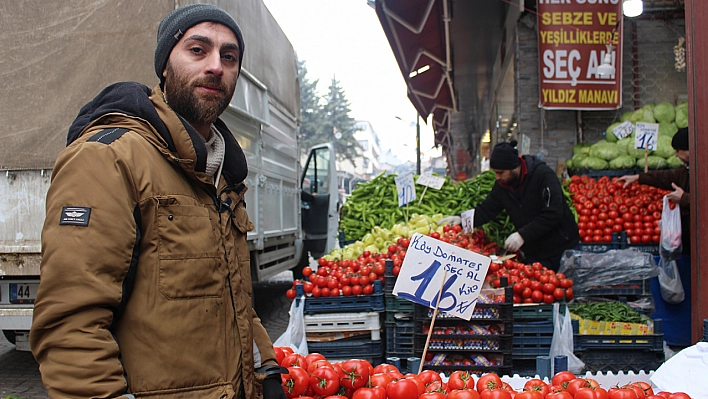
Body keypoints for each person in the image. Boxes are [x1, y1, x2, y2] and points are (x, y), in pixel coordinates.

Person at [30, 5, 287, 399]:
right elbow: (70, 324)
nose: (216, 66)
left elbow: (237, 302)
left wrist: (265, 370)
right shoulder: (109, 158)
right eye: (198, 50)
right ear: (164, 65)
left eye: (229, 56)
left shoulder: (224, 177)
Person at [473, 140, 579, 271]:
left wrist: (522, 235)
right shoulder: (502, 186)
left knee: (565, 288)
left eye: (500, 172)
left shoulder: (543, 175)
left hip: (561, 248)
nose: (497, 177)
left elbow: (553, 212)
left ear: (513, 167)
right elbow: (487, 209)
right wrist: (462, 219)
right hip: (534, 254)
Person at [616, 127, 691, 254]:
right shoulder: (687, 170)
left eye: (679, 151)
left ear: (690, 149)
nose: (676, 155)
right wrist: (638, 177)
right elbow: (667, 177)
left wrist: (683, 198)